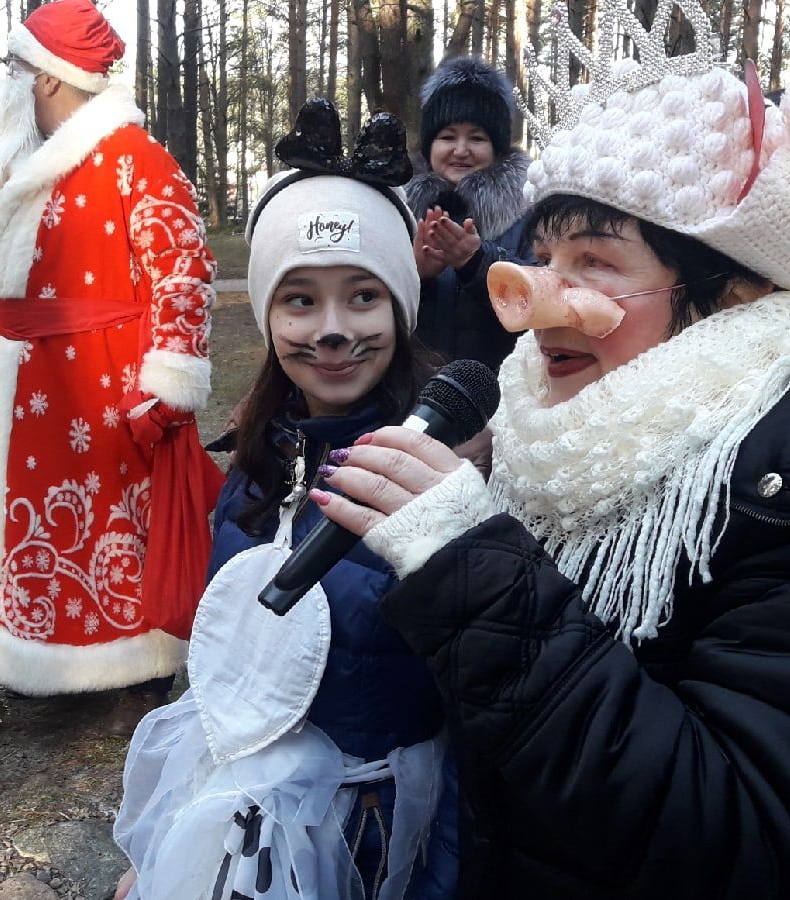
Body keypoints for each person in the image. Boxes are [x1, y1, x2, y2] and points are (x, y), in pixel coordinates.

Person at [308, 2, 790, 894]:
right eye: (544, 255)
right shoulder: (555, 433)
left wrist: (469, 569)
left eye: (595, 262)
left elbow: (731, 829)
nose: (535, 301)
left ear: (741, 288)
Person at [112, 100, 457, 900]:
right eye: (300, 300)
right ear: (269, 316)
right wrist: (174, 840)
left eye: (363, 297)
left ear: (401, 308)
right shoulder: (260, 457)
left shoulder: (435, 473)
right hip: (250, 820)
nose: (331, 331)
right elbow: (235, 661)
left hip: (376, 836)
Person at [0, 0, 222, 735]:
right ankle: (46, 655)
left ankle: (139, 665)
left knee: (117, 524)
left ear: (46, 77)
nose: (5, 80)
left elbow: (183, 274)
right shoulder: (18, 160)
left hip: (108, 381)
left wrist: (168, 386)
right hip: (26, 384)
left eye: (15, 67)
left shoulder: (137, 157)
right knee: (35, 520)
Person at [406, 57, 532, 370]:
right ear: (429, 145)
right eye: (448, 137)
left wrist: (478, 263)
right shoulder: (397, 210)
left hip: (500, 389)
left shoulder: (529, 210)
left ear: (497, 148)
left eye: (477, 138)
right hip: (412, 390)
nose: (461, 150)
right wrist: (413, 275)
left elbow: (546, 303)